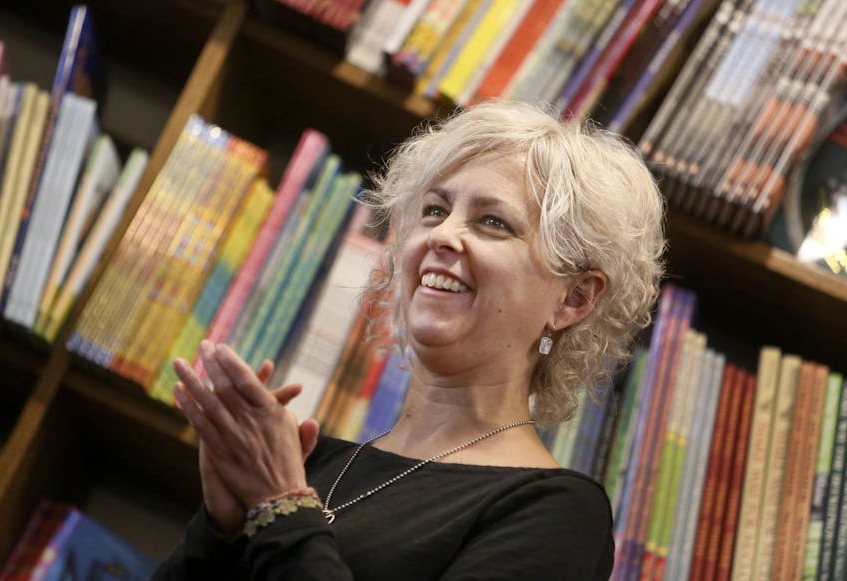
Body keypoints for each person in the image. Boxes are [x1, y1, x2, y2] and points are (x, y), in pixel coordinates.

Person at [152, 100, 665, 580]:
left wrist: (280, 507)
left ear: (573, 298)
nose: (442, 235)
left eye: (492, 222)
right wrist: (219, 528)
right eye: (435, 210)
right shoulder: (307, 463)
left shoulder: (557, 512)